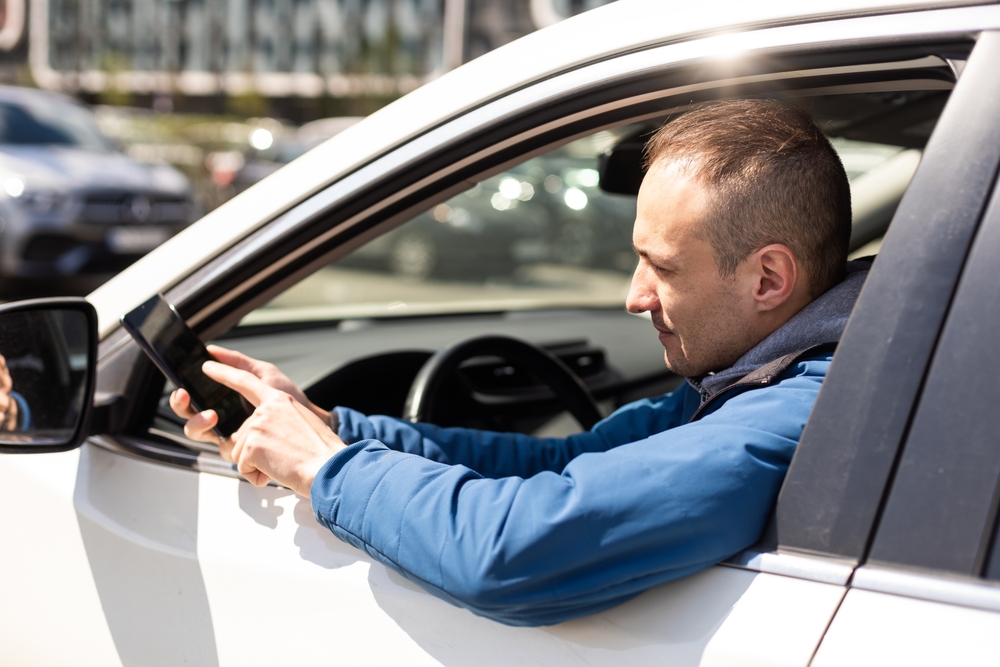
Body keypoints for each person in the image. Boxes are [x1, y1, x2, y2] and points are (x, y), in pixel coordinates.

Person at [171, 99, 868, 626]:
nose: (634, 296)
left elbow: (516, 546)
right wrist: (327, 425)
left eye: (663, 267)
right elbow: (554, 465)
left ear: (769, 279)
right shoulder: (749, 374)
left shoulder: (801, 412)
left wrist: (325, 468)